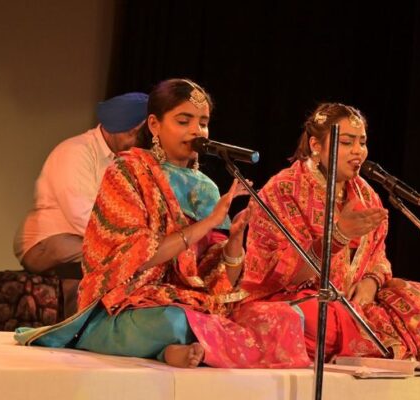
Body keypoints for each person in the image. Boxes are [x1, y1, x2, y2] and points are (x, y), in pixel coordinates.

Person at [16, 79, 310, 369]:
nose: (196, 131)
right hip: (128, 303)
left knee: (284, 317)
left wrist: (234, 241)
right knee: (174, 322)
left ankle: (176, 349)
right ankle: (137, 342)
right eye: (184, 121)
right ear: (154, 125)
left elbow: (218, 282)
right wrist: (208, 222)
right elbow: (138, 257)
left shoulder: (205, 188)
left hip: (190, 302)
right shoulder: (128, 171)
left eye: (203, 123)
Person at [241, 102, 420, 364]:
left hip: (355, 302)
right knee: (314, 319)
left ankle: (364, 339)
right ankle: (371, 341)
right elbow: (278, 274)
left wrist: (371, 283)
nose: (358, 151)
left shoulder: (367, 194)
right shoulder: (282, 190)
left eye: (362, 142)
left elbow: (379, 258)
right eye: (347, 142)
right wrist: (337, 237)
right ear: (316, 145)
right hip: (300, 299)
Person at [13, 92, 149, 317]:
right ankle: (78, 328)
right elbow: (81, 214)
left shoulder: (126, 159)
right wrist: (128, 246)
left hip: (87, 239)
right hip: (47, 242)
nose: (136, 141)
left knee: (136, 261)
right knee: (120, 261)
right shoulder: (76, 151)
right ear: (118, 128)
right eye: (133, 133)